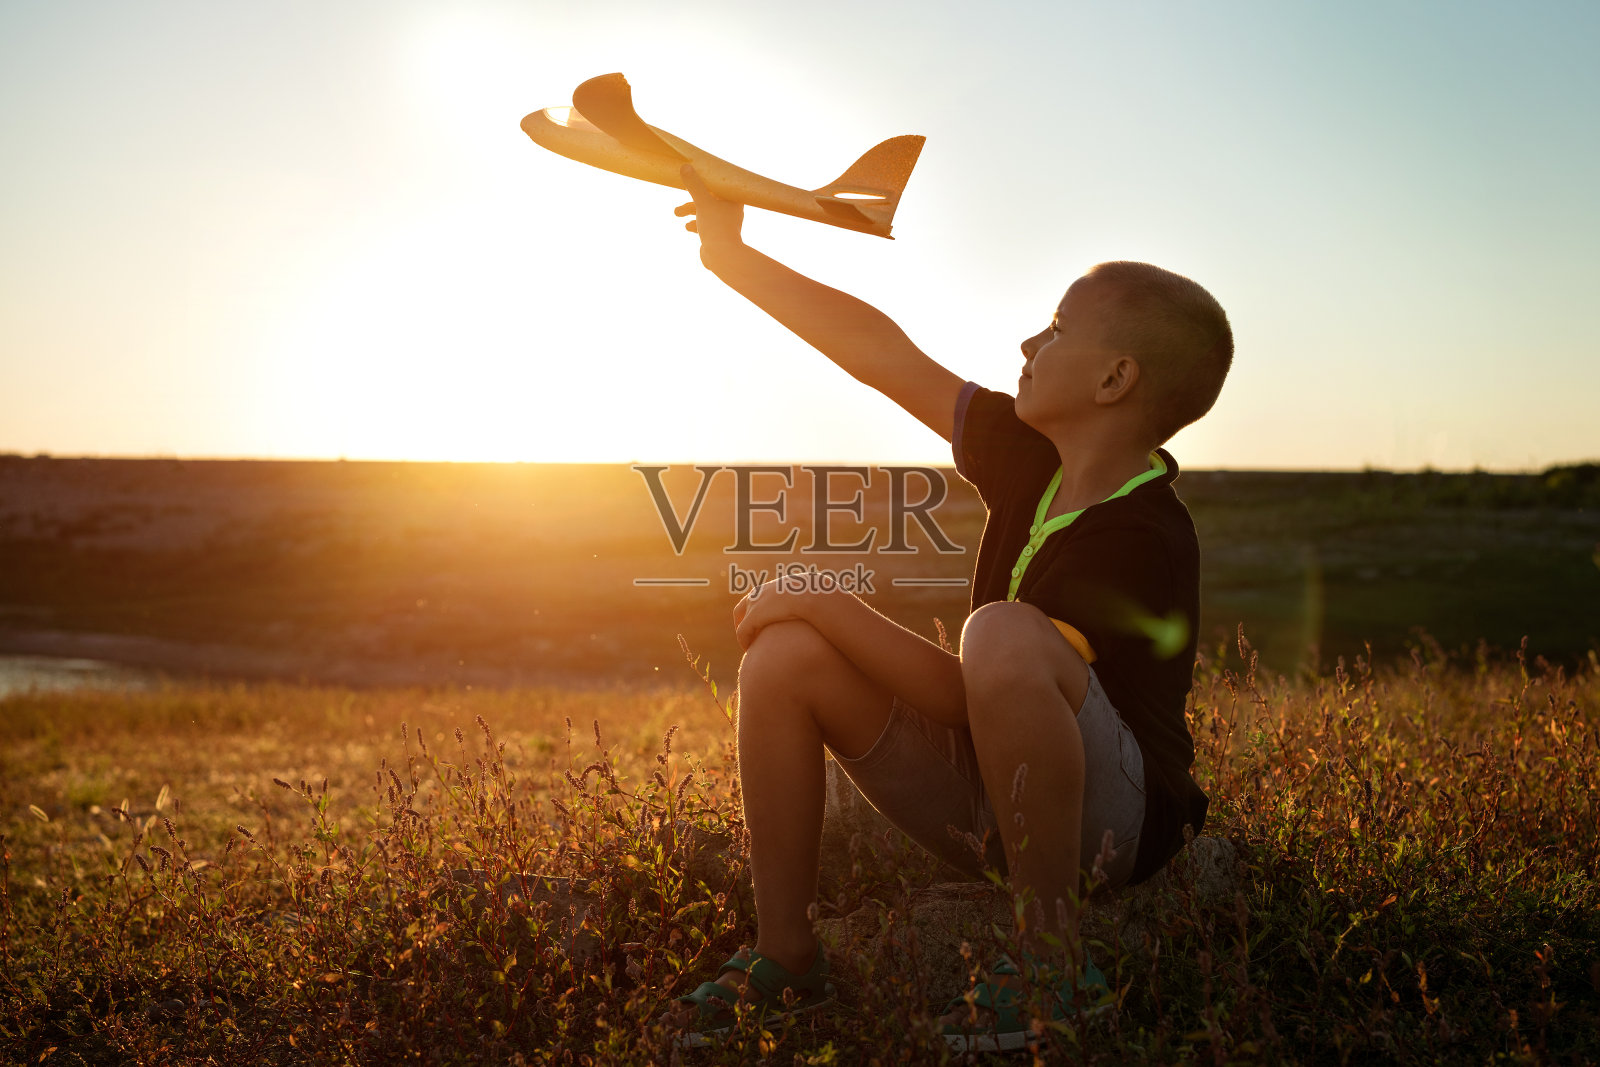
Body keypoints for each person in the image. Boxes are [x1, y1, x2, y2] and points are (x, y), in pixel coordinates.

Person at [660, 164, 1231, 1052]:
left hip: (1112, 824)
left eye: (1056, 328)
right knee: (782, 658)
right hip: (992, 800)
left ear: (1116, 379)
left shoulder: (1143, 536)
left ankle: (1051, 967)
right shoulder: (1028, 456)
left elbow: (973, 687)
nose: (1027, 343)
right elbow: (885, 355)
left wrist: (823, 590)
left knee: (997, 631)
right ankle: (788, 958)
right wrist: (734, 256)